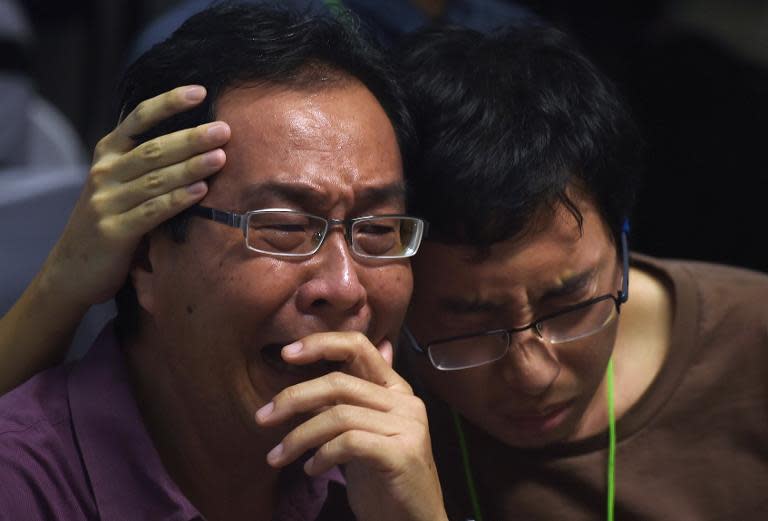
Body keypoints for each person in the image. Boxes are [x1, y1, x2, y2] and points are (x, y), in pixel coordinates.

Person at [0, 5, 447, 521]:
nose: (345, 287)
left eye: (376, 230)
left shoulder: (395, 472)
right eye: (285, 228)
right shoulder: (24, 490)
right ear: (146, 251)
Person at [396, 23, 768, 520]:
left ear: (622, 240)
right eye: (473, 325)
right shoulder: (369, 393)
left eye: (568, 304)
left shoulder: (754, 340)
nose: (532, 375)